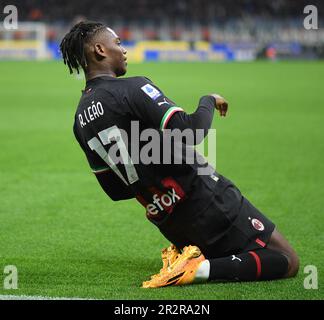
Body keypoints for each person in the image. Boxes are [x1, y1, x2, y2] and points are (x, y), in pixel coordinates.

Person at [60, 21, 299, 288]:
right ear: (99, 50)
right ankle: (198, 267)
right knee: (286, 259)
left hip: (169, 221)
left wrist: (151, 173)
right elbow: (191, 131)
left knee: (235, 254)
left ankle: (189, 258)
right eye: (118, 43)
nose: (123, 49)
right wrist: (208, 99)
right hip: (206, 199)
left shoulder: (79, 120)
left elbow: (115, 191)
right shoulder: (133, 88)